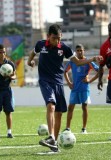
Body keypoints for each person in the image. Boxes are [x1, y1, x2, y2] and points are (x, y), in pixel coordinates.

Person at [27, 24, 102, 152]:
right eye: (55, 38)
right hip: (45, 81)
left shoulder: (64, 48)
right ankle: (51, 136)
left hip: (58, 83)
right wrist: (30, 62)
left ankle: (54, 143)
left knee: (60, 113)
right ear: (48, 36)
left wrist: (93, 59)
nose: (57, 41)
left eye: (59, 38)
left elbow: (77, 62)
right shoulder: (41, 44)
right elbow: (32, 53)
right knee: (51, 105)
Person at [63, 44, 99, 134]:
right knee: (70, 107)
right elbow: (65, 71)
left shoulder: (88, 61)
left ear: (84, 51)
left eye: (81, 50)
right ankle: (67, 128)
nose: (79, 52)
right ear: (76, 51)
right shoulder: (73, 61)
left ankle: (84, 129)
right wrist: (69, 83)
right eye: (77, 50)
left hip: (84, 88)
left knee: (84, 107)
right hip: (74, 88)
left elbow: (99, 71)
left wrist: (90, 80)